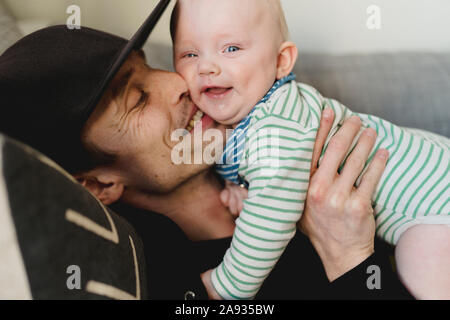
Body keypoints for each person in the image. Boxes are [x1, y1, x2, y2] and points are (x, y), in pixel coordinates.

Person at [0, 2, 411, 299]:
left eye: (151, 66)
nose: (180, 83)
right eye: (138, 98)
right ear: (97, 183)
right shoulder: (180, 283)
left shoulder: (266, 140)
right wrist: (350, 257)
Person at [170, 0, 450, 300]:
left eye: (231, 49)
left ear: (281, 61)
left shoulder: (277, 124)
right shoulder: (256, 117)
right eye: (190, 53)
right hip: (434, 171)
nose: (206, 66)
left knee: (422, 259)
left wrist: (226, 286)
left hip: (436, 204)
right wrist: (235, 182)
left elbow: (270, 217)